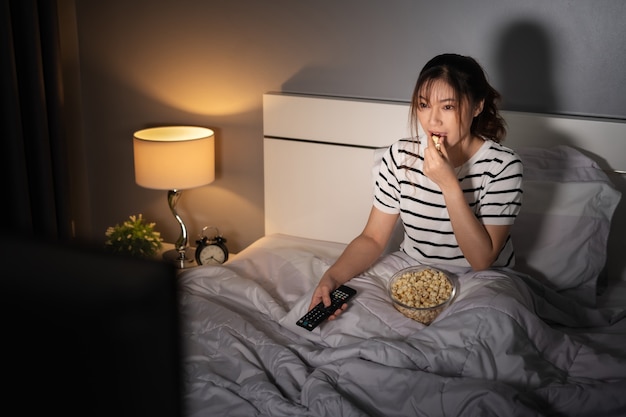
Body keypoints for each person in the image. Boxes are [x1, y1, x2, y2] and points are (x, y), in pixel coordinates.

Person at [307, 53, 523, 319]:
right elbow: (373, 238)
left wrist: (449, 185)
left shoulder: (503, 165)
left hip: (482, 281)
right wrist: (332, 277)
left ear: (477, 106)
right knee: (346, 321)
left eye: (448, 107)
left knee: (489, 329)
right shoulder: (400, 156)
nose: (432, 121)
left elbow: (482, 260)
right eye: (423, 104)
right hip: (414, 271)